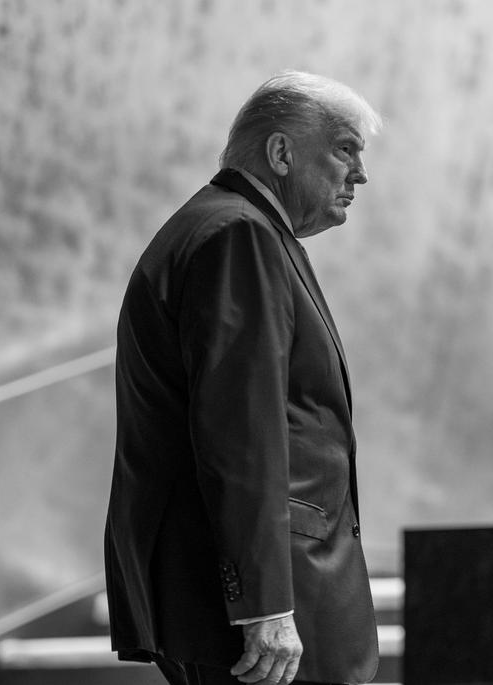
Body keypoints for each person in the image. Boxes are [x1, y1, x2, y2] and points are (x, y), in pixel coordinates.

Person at [104, 71, 382, 685]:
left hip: (237, 599)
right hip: (266, 614)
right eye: (344, 149)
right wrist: (263, 604)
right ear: (282, 153)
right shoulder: (238, 236)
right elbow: (241, 432)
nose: (359, 175)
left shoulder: (222, 228)